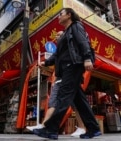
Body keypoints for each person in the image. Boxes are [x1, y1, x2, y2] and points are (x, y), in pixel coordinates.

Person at [32, 8, 101, 139]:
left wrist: (87, 58)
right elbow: (57, 55)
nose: (58, 17)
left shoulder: (76, 26)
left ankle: (51, 129)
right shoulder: (65, 33)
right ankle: (93, 128)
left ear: (69, 15)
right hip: (66, 68)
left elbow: (83, 42)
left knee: (63, 97)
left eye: (61, 14)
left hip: (73, 66)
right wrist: (45, 63)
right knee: (79, 100)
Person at [26, 31, 86, 137]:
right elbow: (52, 58)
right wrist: (44, 63)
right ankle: (44, 125)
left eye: (59, 35)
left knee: (76, 105)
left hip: (70, 80)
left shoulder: (71, 46)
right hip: (59, 80)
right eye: (56, 35)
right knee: (53, 102)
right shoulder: (59, 50)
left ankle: (83, 128)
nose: (57, 37)